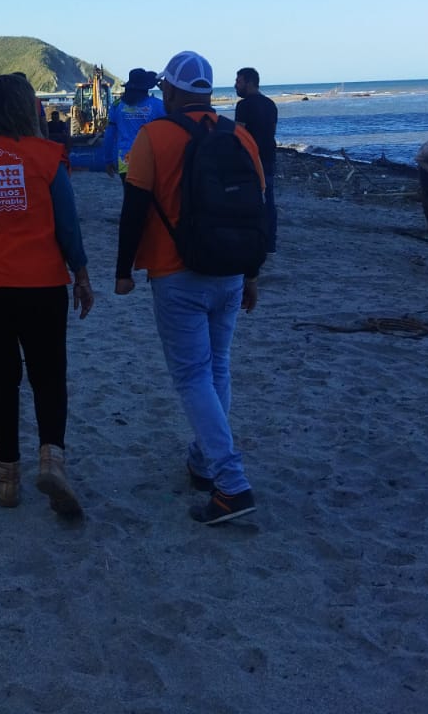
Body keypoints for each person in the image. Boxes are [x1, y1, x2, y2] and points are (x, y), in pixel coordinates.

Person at [115, 51, 264, 525]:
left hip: (176, 272)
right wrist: (252, 273)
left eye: (165, 87)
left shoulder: (154, 136)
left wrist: (123, 271)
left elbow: (134, 208)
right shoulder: (239, 136)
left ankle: (231, 483)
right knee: (217, 366)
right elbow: (258, 209)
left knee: (192, 376)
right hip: (231, 270)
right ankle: (203, 462)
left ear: (174, 91)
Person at [0, 73, 95, 516]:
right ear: (29, 110)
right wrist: (81, 274)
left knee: (1, 377)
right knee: (48, 374)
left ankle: (7, 479)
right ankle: (52, 462)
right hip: (41, 282)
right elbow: (67, 224)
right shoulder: (47, 158)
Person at [234, 67, 279, 251]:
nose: (236, 85)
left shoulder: (243, 106)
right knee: (268, 200)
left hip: (250, 159)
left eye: (239, 81)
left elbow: (239, 135)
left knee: (245, 199)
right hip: (268, 156)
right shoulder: (270, 104)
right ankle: (270, 243)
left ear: (250, 82)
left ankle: (250, 240)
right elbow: (272, 131)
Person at [104, 68, 165, 179]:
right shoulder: (158, 105)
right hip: (149, 159)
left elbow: (109, 134)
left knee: (129, 189)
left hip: (125, 160)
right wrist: (165, 90)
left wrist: (108, 160)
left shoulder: (117, 105)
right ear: (146, 88)